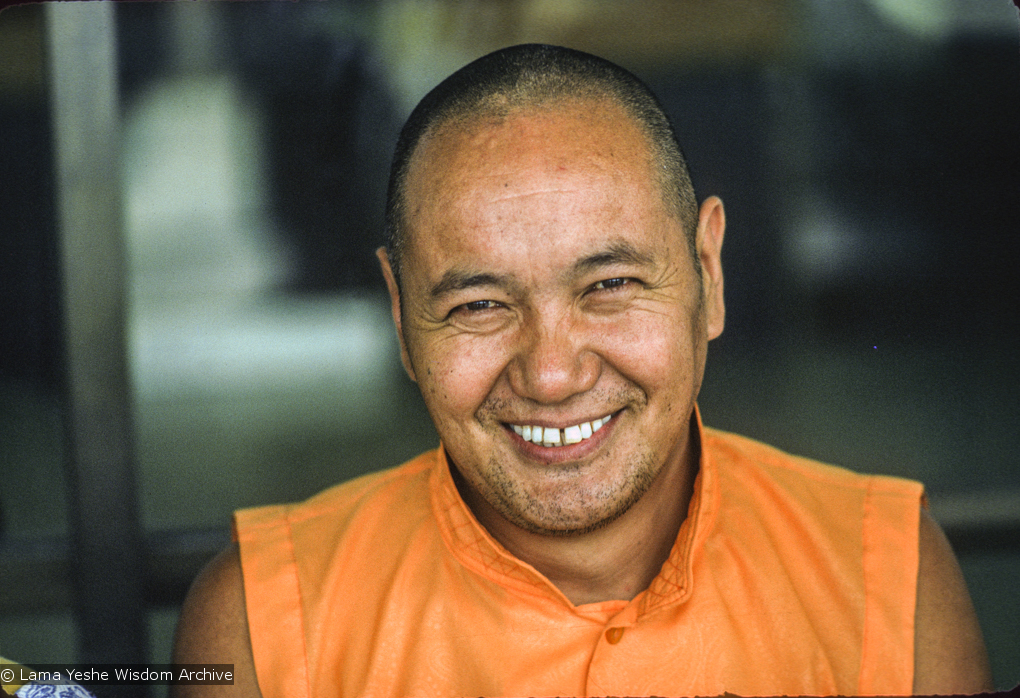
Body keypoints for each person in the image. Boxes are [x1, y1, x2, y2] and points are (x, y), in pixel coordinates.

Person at [171, 44, 993, 697]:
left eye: (609, 286)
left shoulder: (885, 580)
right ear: (400, 315)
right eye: (479, 305)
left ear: (709, 274)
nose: (552, 374)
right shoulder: (266, 627)